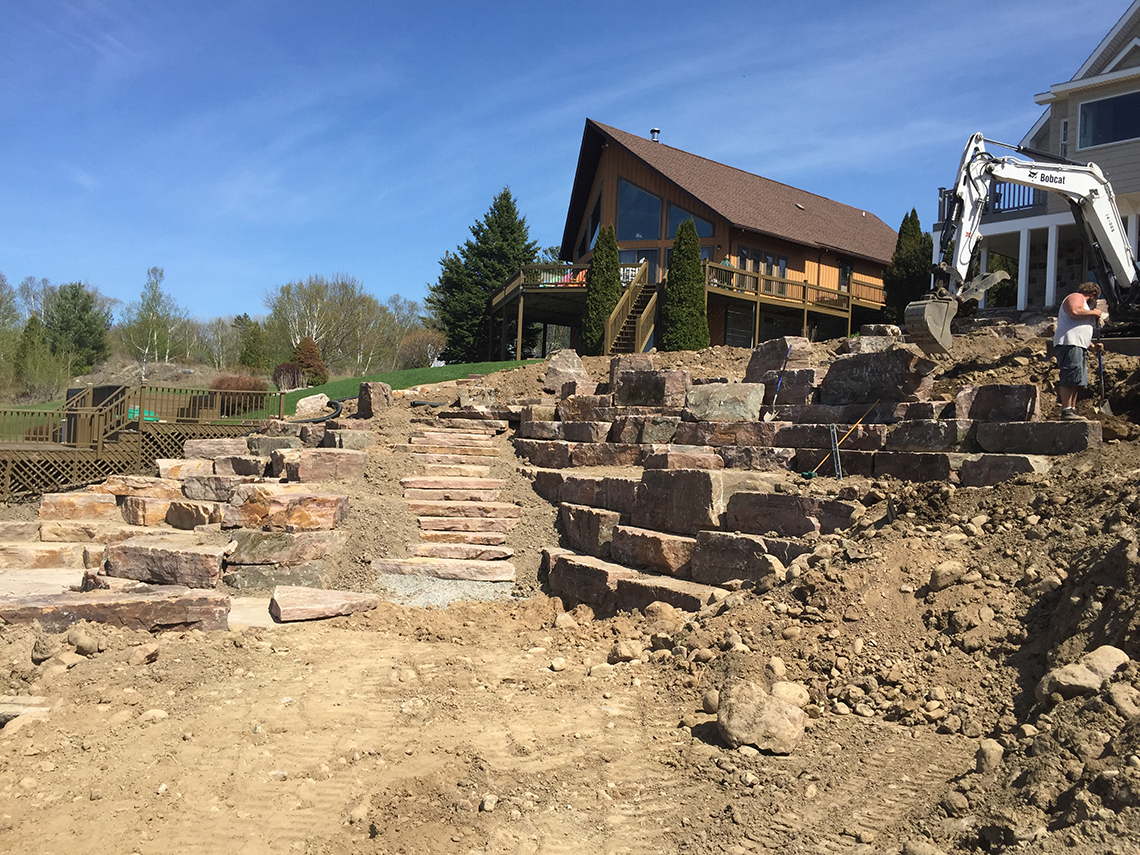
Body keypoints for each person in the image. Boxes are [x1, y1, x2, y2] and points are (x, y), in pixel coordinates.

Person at [1053, 281, 1107, 420]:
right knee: (1069, 376)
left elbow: (1080, 332)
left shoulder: (1083, 306)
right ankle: (1066, 410)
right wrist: (1093, 312)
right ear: (1094, 294)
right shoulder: (1076, 297)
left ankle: (1072, 409)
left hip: (1077, 344)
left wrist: (1093, 347)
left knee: (1075, 379)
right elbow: (1074, 311)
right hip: (1069, 343)